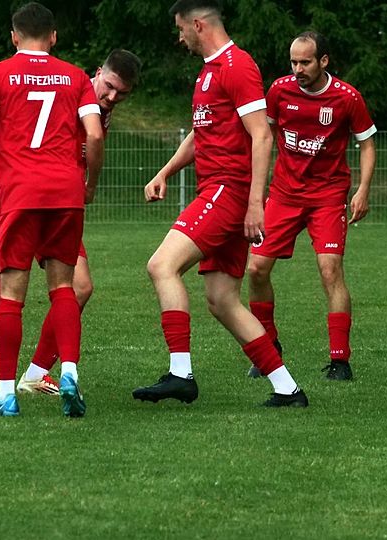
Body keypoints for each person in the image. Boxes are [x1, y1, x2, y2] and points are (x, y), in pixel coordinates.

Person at [131, 0, 308, 408]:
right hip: (219, 191)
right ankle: (288, 389)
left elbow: (262, 135)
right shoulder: (209, 71)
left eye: (181, 29)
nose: (179, 38)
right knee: (222, 300)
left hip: (227, 191)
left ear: (197, 25)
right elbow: (201, 135)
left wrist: (255, 203)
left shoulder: (237, 65)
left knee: (161, 265)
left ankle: (180, 374)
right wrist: (164, 172)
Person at [0, 49, 142, 397]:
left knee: (80, 287)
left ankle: (36, 373)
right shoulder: (71, 88)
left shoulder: (99, 110)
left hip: (56, 201)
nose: (112, 96)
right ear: (97, 72)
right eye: (109, 86)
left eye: (122, 93)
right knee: (1, 268)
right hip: (15, 191)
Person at [0, 2, 104, 417]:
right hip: (66, 193)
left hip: (20, 193)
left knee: (11, 293)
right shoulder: (75, 76)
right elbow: (93, 135)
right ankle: (68, 372)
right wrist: (90, 183)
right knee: (63, 288)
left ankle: (6, 394)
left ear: (14, 36)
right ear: (53, 36)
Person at [246, 32, 376, 382]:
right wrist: (255, 188)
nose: (298, 69)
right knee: (256, 269)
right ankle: (268, 347)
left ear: (324, 61)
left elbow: (367, 144)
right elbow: (263, 137)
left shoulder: (347, 97)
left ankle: (340, 360)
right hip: (284, 194)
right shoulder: (279, 91)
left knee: (330, 270)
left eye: (305, 62)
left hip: (328, 197)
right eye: (294, 62)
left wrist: (363, 189)